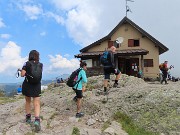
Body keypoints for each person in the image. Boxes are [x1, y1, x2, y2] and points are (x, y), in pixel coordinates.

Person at [19, 50, 43, 132]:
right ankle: (37, 120)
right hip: (37, 85)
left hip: (28, 85)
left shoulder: (26, 63)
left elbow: (22, 75)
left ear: (30, 56)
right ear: (37, 56)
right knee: (36, 103)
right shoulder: (40, 64)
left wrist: (23, 71)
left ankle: (28, 118)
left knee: (28, 102)